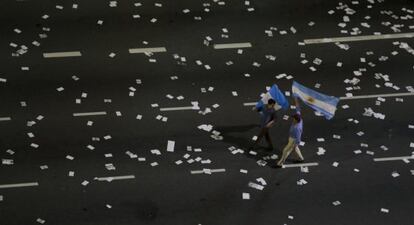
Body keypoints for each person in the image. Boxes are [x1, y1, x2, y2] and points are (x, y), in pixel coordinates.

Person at [277, 97, 304, 167]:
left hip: (293, 140)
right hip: (292, 137)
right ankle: (301, 158)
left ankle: (280, 163)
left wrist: (296, 143)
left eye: (293, 118)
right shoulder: (299, 117)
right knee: (295, 148)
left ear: (296, 120)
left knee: (286, 150)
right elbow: (298, 108)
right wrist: (295, 99)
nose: (292, 119)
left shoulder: (297, 128)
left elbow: (298, 138)